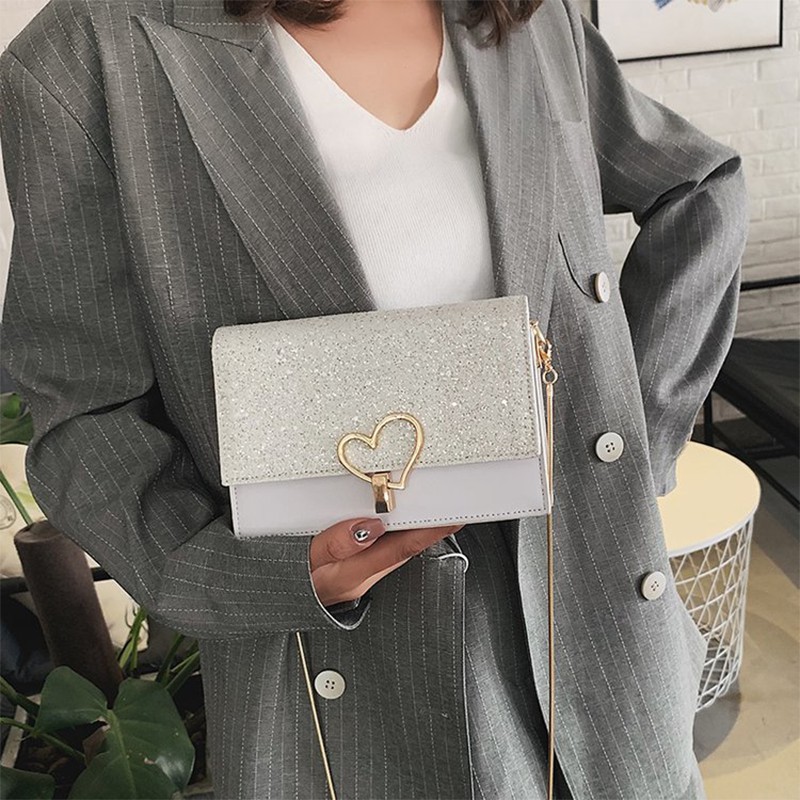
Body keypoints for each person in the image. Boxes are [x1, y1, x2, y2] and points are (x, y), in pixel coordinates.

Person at [0, 0, 747, 797]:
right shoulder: (92, 53)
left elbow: (699, 185)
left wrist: (634, 437)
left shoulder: (519, 17)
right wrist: (253, 574)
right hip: (344, 647)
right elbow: (84, 407)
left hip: (592, 600)